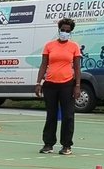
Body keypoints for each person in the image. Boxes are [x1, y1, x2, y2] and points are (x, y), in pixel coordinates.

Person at [34, 17, 82, 155]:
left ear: (70, 32)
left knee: (68, 116)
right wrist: (38, 83)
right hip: (50, 85)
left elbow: (77, 67)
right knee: (51, 115)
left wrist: (77, 85)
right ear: (59, 30)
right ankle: (48, 144)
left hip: (67, 84)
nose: (64, 32)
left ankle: (66, 145)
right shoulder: (49, 46)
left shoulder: (74, 46)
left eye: (67, 31)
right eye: (62, 30)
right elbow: (44, 65)